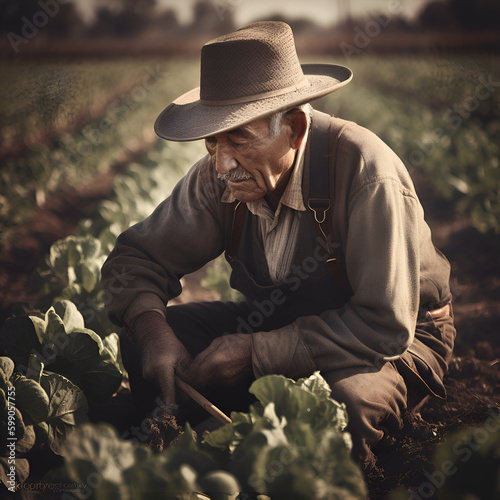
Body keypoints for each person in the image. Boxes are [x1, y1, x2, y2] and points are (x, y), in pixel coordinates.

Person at [101, 21, 456, 472]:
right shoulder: (219, 177)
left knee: (333, 410)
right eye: (213, 141)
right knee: (149, 345)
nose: (222, 162)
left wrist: (256, 354)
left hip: (390, 342)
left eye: (239, 138)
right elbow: (135, 258)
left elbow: (384, 325)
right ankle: (193, 454)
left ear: (294, 126)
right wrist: (153, 333)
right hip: (278, 324)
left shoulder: (366, 173)